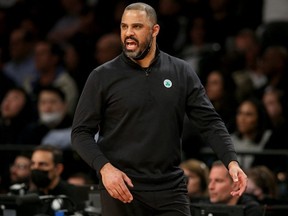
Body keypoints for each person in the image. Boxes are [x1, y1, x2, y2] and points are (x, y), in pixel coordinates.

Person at [71, 2, 247, 216]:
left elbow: (210, 122)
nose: (128, 33)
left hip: (170, 188)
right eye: (124, 27)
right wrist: (105, 169)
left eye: (136, 27)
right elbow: (80, 132)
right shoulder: (102, 76)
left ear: (154, 30)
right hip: (121, 188)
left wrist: (231, 161)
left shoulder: (181, 72)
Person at [28, 145, 85, 215]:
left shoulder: (72, 197)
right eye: (33, 164)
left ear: (58, 169)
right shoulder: (30, 197)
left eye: (42, 164)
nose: (36, 168)